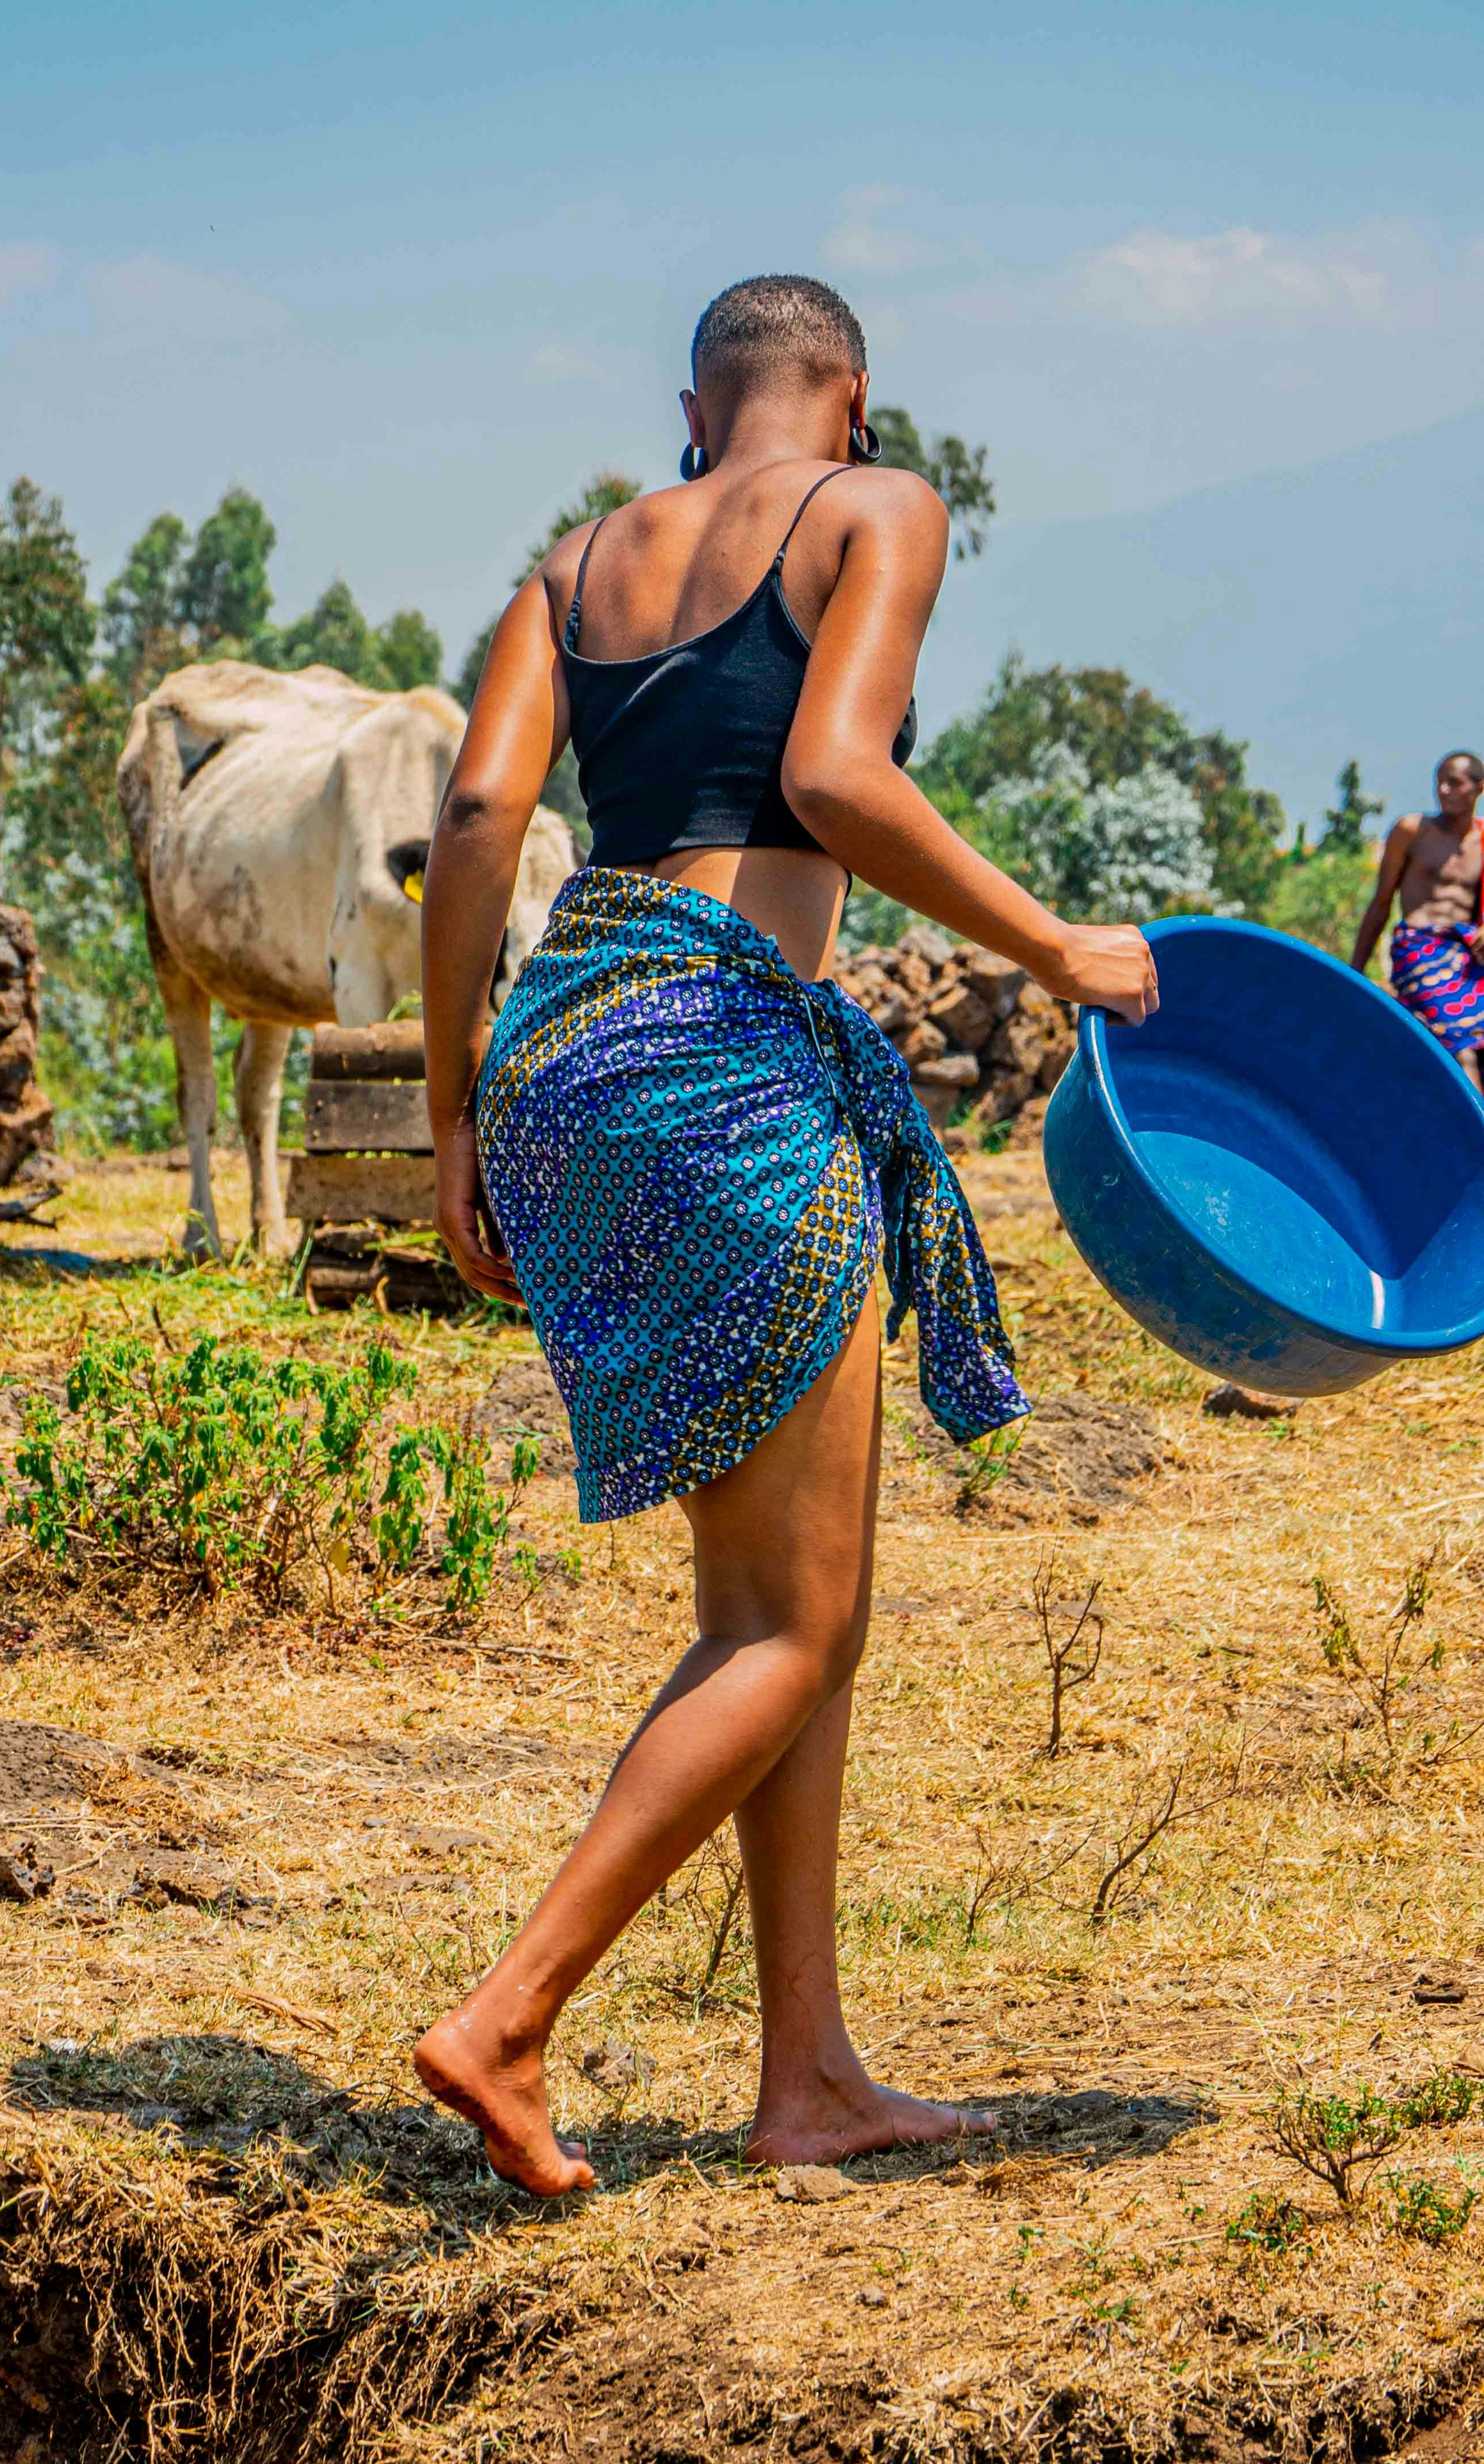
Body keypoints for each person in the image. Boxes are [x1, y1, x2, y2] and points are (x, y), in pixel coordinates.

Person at [414, 274, 1157, 2197]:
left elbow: (487, 805)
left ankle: (808, 2069)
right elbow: (832, 774)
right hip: (729, 1047)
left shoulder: (570, 566)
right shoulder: (875, 508)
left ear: (694, 405)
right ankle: (507, 2014)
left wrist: (448, 1106)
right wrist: (1060, 948)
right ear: (849, 399)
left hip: (566, 1042)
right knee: (789, 1617)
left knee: (783, 1603)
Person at [1351, 752, 1484, 1090]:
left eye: (1454, 783)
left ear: (1478, 789)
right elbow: (1381, 904)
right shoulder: (1412, 831)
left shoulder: (1483, 842)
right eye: (1439, 781)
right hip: (1419, 949)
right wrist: (1354, 973)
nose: (1442, 790)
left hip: (1467, 955)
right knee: (1462, 1048)